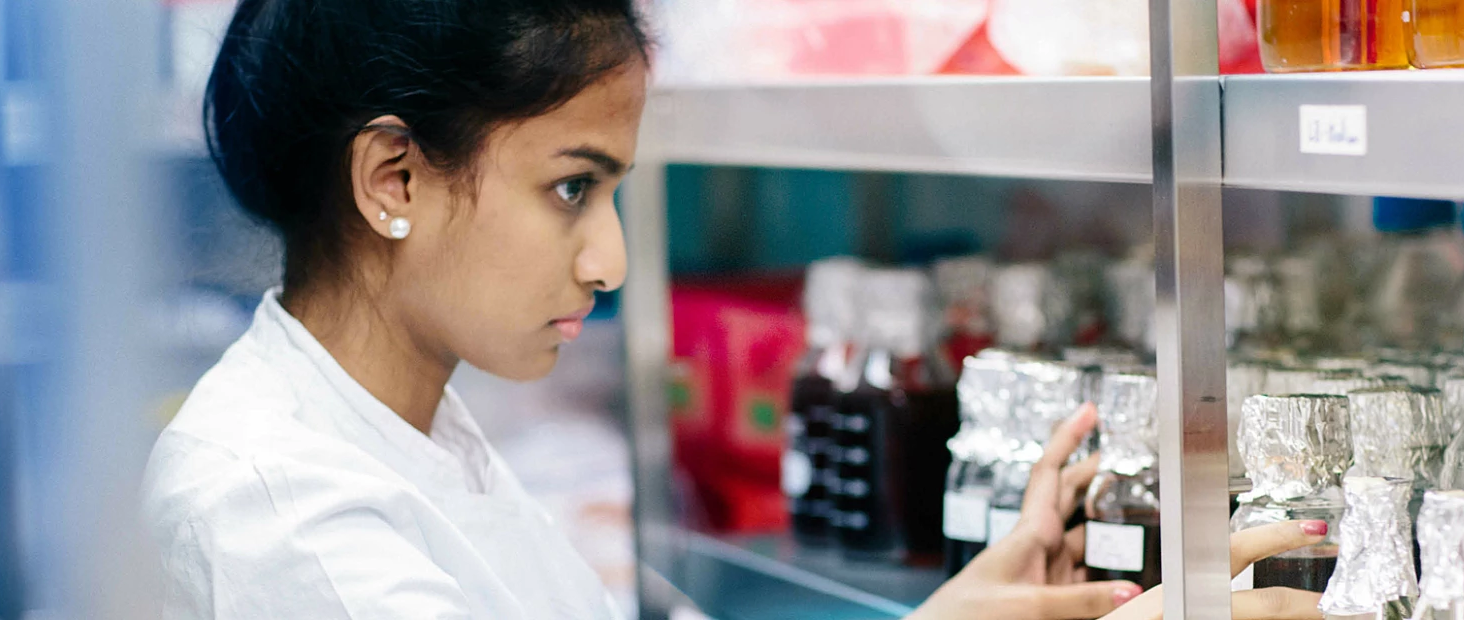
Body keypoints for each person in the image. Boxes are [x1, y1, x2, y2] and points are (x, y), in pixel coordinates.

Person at [139, 0, 1327, 618]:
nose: (606, 261)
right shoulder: (286, 516)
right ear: (393, 178)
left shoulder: (401, 423)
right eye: (570, 189)